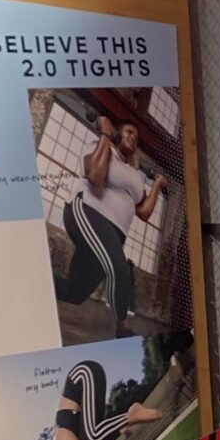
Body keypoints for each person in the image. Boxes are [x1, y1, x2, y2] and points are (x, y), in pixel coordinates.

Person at [59, 111, 167, 332]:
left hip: (114, 234)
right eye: (129, 132)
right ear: (118, 134)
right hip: (88, 212)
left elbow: (143, 212)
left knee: (74, 293)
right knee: (118, 267)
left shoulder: (135, 176)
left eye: (136, 137)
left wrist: (156, 186)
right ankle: (123, 329)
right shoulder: (101, 147)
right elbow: (95, 176)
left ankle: (34, 284)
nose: (133, 137)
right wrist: (105, 134)